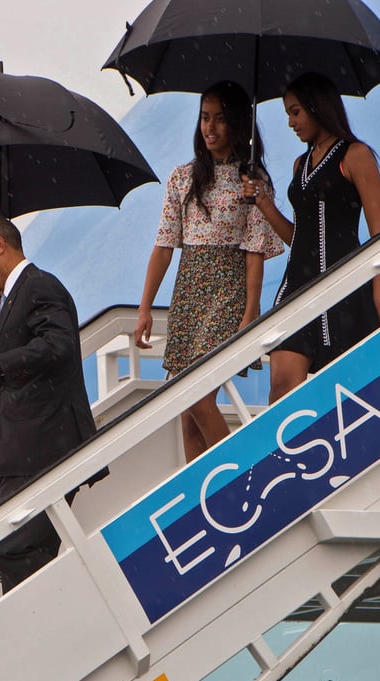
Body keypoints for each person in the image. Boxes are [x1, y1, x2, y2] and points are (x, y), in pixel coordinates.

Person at [134, 80, 284, 463]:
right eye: (204, 118)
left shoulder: (253, 181)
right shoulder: (182, 177)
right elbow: (164, 245)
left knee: (198, 398)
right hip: (189, 290)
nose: (210, 127)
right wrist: (145, 307)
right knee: (187, 412)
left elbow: (254, 253)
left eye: (219, 119)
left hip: (229, 289)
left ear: (237, 124)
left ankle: (242, 473)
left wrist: (251, 313)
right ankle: (206, 493)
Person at [0, 215, 97, 593]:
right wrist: (7, 318)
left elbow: (59, 344)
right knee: (20, 553)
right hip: (28, 448)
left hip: (45, 444)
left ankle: (53, 621)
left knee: (11, 545)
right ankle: (38, 633)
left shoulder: (39, 287)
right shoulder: (20, 295)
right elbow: (40, 342)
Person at [242, 72, 380, 403]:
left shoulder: (356, 155)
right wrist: (264, 203)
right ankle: (289, 455)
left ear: (317, 107)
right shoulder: (300, 164)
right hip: (297, 286)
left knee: (351, 393)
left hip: (346, 288)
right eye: (287, 115)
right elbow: (300, 238)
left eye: (295, 112)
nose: (291, 123)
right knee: (282, 387)